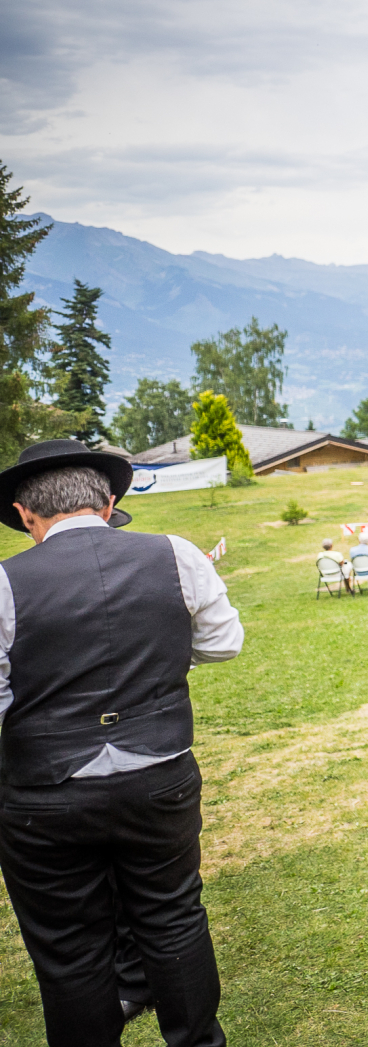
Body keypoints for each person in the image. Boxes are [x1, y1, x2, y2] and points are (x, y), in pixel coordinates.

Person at [0, 438, 242, 1045]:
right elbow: (222, 643)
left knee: (69, 947)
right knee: (173, 916)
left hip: (44, 791)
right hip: (158, 771)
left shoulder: (4, 583)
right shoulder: (177, 554)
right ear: (109, 503)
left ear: (27, 515)